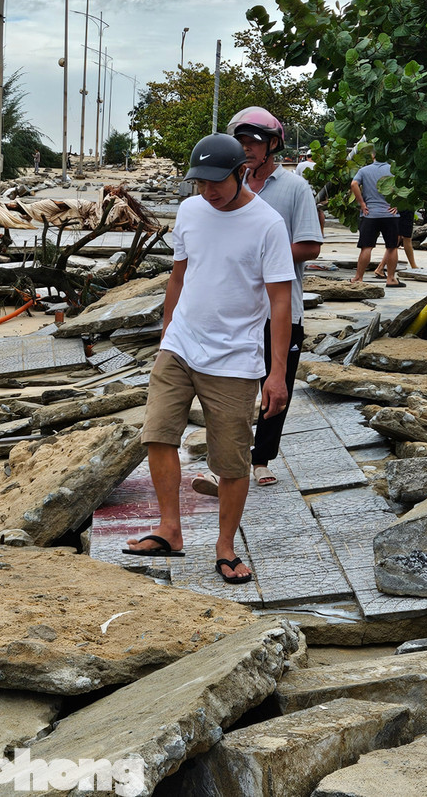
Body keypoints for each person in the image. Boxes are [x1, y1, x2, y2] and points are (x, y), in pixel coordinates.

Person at [122, 133, 294, 584]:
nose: (208, 191)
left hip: (235, 359)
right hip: (180, 344)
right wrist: (166, 332)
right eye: (200, 182)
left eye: (217, 181)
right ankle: (170, 530)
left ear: (241, 172)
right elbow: (179, 275)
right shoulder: (190, 210)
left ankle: (225, 547)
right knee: (157, 434)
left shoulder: (268, 224)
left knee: (232, 460)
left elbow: (281, 302)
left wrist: (277, 374)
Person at [189, 107, 322, 490]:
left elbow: (311, 245)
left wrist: (263, 255)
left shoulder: (294, 188)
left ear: (272, 145)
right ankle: (224, 462)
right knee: (227, 387)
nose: (246, 148)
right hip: (233, 308)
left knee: (275, 386)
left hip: (279, 307)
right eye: (241, 142)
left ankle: (261, 458)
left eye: (254, 142)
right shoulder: (224, 185)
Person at [349, 146, 402, 287]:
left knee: (366, 247)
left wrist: (362, 203)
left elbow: (354, 184)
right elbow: (404, 187)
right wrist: (397, 203)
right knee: (392, 247)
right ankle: (391, 279)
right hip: (390, 214)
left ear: (373, 156)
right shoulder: (393, 170)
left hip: (370, 214)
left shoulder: (364, 170)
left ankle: (358, 278)